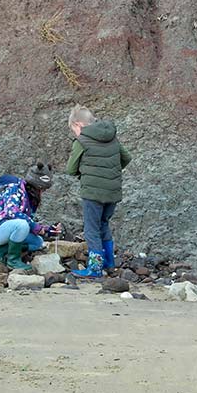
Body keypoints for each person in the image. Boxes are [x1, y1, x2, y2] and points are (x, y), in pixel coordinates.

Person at [66, 106, 132, 279]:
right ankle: (109, 264)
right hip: (112, 192)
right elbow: (126, 158)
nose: (74, 133)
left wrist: (86, 174)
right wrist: (111, 175)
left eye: (73, 129)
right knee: (103, 224)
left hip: (92, 193)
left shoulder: (82, 141)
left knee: (91, 229)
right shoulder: (112, 137)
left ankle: (95, 268)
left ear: (78, 125)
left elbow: (71, 169)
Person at [0, 164, 61, 271]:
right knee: (22, 225)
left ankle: (3, 250)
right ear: (36, 186)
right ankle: (13, 261)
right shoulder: (15, 190)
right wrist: (36, 228)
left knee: (37, 242)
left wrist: (47, 230)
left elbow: (29, 221)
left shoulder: (29, 197)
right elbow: (12, 212)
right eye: (42, 189)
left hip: (8, 230)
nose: (43, 192)